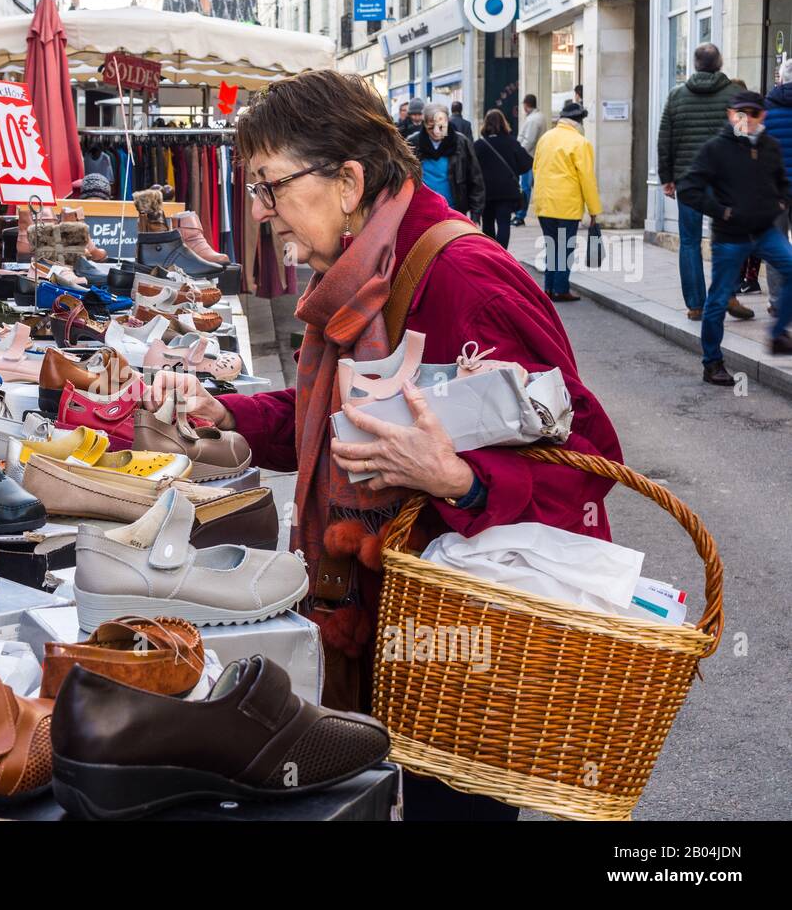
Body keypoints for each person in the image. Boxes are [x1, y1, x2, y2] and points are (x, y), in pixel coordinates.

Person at [142, 69, 621, 820]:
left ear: (348, 180)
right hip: (385, 627)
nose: (262, 213)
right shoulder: (361, 274)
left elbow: (591, 461)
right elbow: (334, 421)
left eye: (270, 187)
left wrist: (461, 480)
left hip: (468, 654)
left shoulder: (464, 276)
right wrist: (224, 411)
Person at [677, 91, 792, 384]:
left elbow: (782, 181)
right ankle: (712, 362)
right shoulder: (716, 148)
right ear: (731, 115)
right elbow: (689, 188)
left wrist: (782, 201)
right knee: (717, 300)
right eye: (740, 113)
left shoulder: (770, 146)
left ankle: (777, 334)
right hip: (730, 237)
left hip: (765, 231)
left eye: (753, 113)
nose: (747, 119)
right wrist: (721, 212)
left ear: (762, 116)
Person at [657, 43, 751, 322]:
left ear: (695, 65)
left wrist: (667, 178)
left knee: (689, 241)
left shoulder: (676, 96)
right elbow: (745, 139)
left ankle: (697, 305)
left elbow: (665, 140)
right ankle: (729, 294)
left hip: (689, 180)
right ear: (719, 63)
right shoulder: (736, 95)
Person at [531, 100, 600, 302]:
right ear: (578, 122)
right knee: (565, 247)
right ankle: (561, 289)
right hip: (566, 205)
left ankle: (549, 288)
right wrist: (593, 210)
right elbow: (587, 179)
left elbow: (536, 168)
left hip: (545, 203)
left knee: (551, 246)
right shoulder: (580, 143)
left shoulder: (545, 138)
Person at [407, 102, 485, 221]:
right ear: (424, 124)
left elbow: (475, 179)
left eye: (441, 126)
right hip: (422, 211)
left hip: (454, 211)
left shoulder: (461, 142)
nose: (436, 132)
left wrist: (475, 215)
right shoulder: (413, 143)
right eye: (431, 127)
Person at [474, 109, 532, 249]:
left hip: (486, 192)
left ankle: (491, 253)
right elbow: (527, 163)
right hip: (507, 191)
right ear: (503, 123)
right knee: (504, 223)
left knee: (487, 223)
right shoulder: (511, 143)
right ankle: (502, 254)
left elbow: (471, 169)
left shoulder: (479, 145)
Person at [763, 57, 792, 315]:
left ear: (781, 79)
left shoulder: (765, 109)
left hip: (775, 189)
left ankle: (776, 300)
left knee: (777, 241)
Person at [514, 93, 545, 226]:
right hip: (535, 156)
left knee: (525, 187)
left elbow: (529, 141)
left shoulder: (533, 120)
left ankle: (520, 215)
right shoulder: (539, 117)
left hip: (529, 158)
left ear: (526, 105)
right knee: (534, 187)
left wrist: (518, 153)